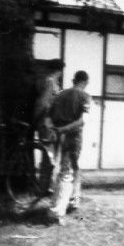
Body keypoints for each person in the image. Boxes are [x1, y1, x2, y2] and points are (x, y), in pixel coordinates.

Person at [47, 70, 91, 222]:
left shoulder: (59, 95)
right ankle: (57, 212)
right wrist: (65, 129)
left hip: (57, 136)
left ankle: (73, 201)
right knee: (67, 173)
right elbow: (82, 121)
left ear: (73, 80)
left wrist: (54, 130)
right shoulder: (84, 96)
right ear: (85, 82)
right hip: (73, 138)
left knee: (66, 171)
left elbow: (48, 117)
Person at [34, 59, 65, 194]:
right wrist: (40, 119)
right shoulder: (50, 82)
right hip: (47, 123)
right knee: (48, 155)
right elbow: (43, 103)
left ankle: (47, 186)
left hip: (51, 123)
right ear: (59, 70)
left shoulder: (51, 81)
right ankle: (44, 188)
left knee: (50, 156)